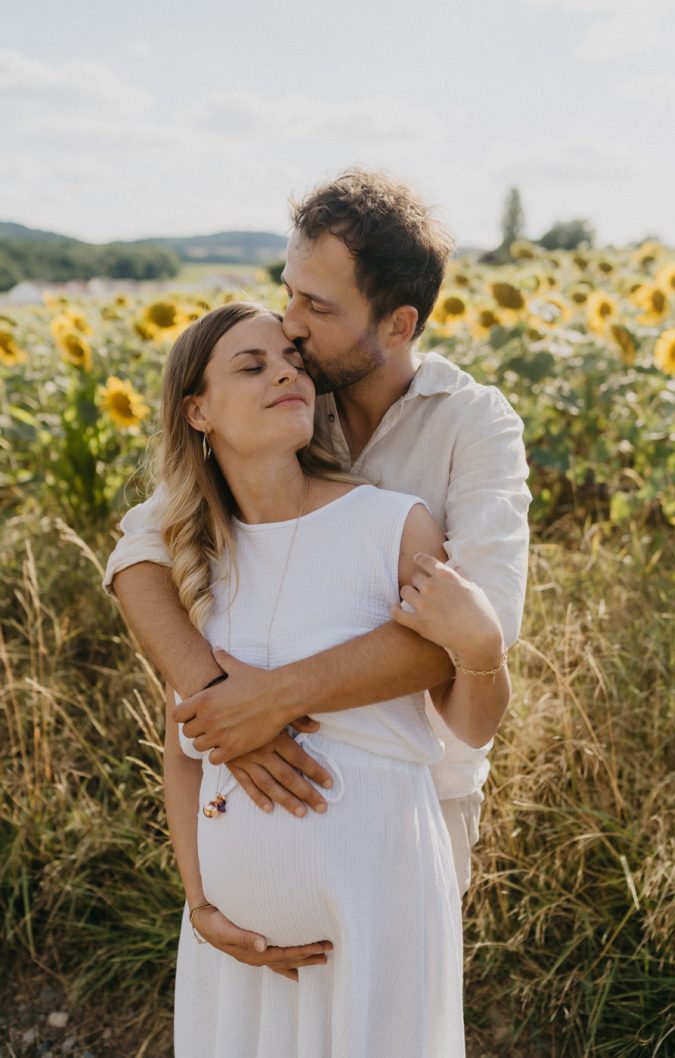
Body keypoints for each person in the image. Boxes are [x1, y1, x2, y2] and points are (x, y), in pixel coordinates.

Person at [103, 168, 531, 966]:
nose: (290, 326)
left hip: (413, 802)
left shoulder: (472, 428)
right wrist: (218, 701)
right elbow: (137, 552)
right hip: (248, 826)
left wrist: (271, 701)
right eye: (288, 292)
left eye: (318, 307)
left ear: (397, 324)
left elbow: (472, 635)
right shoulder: (287, 395)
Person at [152, 300, 510, 1056]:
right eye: (252, 366)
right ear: (197, 412)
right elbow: (182, 750)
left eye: (292, 362)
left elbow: (471, 720)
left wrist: (484, 648)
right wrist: (202, 905)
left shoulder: (393, 524)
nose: (286, 373)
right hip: (235, 953)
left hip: (378, 913)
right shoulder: (193, 557)